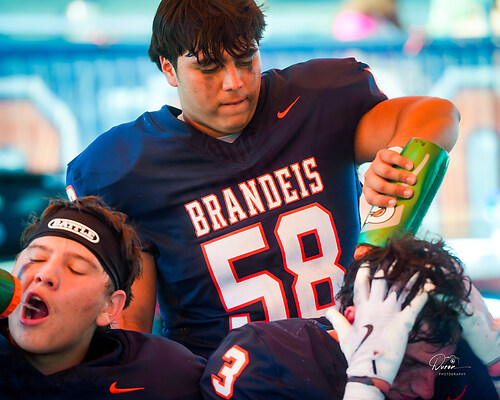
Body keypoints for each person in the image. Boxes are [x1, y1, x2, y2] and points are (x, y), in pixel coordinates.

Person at [65, 0, 460, 358]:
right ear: (169, 68)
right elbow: (130, 337)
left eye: (245, 59)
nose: (234, 82)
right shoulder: (127, 170)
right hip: (224, 383)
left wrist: (398, 162)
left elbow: (437, 114)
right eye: (209, 67)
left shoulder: (314, 102)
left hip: (355, 358)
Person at [200, 235, 500, 400]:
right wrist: (365, 386)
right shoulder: (265, 361)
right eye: (404, 362)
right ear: (354, 319)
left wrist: (496, 368)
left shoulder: (455, 353)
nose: (426, 389)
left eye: (439, 365)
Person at [0, 196, 205, 399]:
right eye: (36, 258)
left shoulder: (164, 376)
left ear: (109, 307)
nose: (45, 275)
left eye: (75, 269)